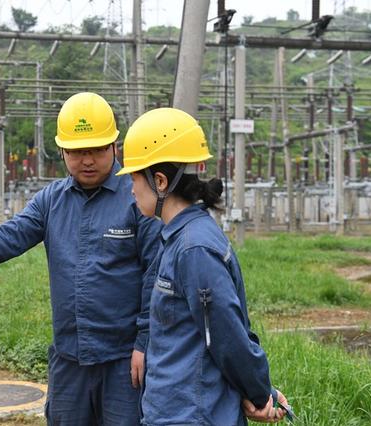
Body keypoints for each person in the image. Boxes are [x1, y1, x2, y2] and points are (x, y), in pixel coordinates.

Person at [0, 92, 162, 425]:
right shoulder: (52, 200)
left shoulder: (136, 197)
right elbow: (9, 236)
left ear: (114, 147)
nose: (87, 160)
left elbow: (156, 273)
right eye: (77, 152)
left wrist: (144, 343)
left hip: (123, 360)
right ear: (62, 151)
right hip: (69, 358)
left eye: (96, 150)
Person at [116, 107, 291, 425]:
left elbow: (228, 336)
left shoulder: (194, 248)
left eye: (134, 178)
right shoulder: (180, 237)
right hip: (177, 410)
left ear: (159, 181)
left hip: (194, 414)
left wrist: (259, 392)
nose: (131, 188)